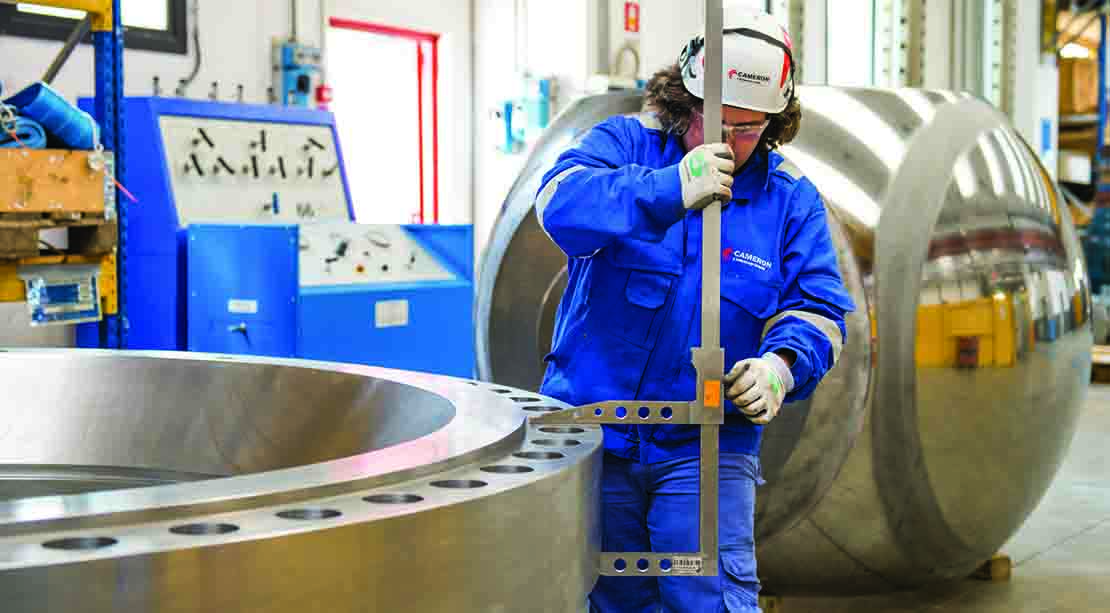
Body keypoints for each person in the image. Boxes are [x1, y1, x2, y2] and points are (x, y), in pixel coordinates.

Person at [533, 5, 856, 612]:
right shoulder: (622, 145)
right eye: (716, 120)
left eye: (746, 127)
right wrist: (667, 188)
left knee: (708, 599)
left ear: (775, 121)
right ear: (685, 97)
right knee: (608, 598)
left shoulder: (790, 202)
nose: (727, 141)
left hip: (706, 444)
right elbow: (557, 206)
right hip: (595, 436)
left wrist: (781, 366)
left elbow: (819, 309)